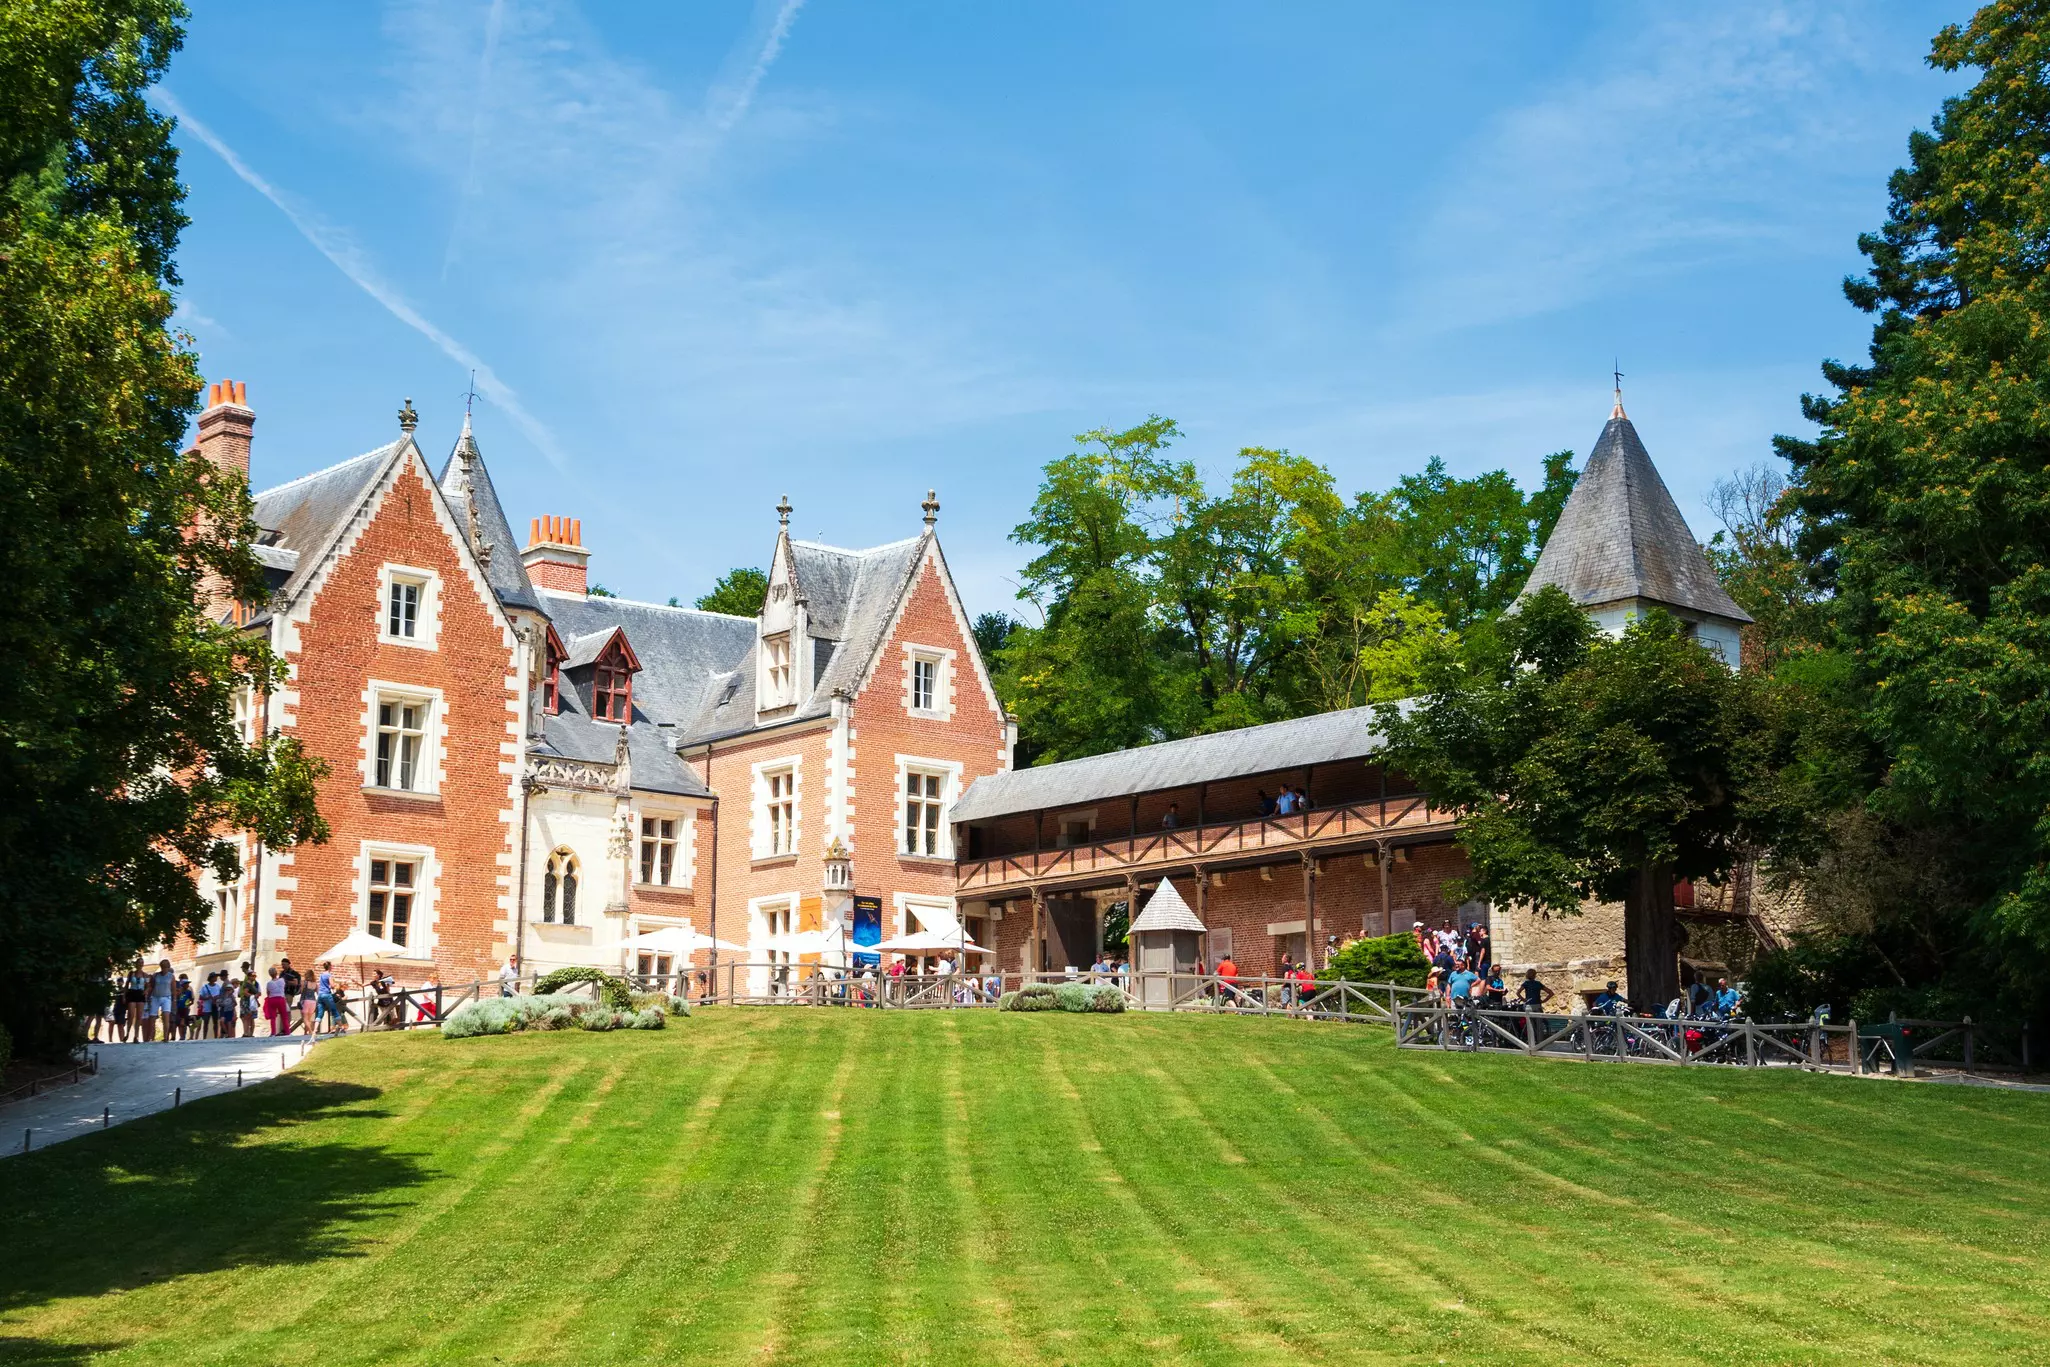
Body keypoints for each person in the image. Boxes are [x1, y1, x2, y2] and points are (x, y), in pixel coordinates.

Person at [263, 964, 289, 1036]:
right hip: (281, 999)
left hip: (272, 999)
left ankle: (273, 1033)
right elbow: (283, 988)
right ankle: (287, 1032)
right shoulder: (282, 980)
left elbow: (268, 993)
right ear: (276, 973)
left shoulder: (269, 983)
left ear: (270, 975)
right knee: (284, 1016)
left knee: (273, 1017)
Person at [280, 958, 303, 1033]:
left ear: (288, 964)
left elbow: (296, 983)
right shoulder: (282, 973)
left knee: (287, 1010)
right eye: (282, 964)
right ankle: (283, 1028)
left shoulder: (294, 973)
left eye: (284, 964)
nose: (283, 966)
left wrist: (286, 982)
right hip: (282, 993)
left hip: (289, 993)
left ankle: (286, 1028)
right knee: (283, 1011)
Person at [239, 967, 260, 1036]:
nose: (254, 977)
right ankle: (246, 1033)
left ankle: (249, 1033)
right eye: (253, 976)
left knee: (250, 1018)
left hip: (251, 1002)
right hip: (247, 1002)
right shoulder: (247, 984)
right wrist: (253, 996)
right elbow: (245, 992)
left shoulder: (252, 984)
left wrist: (257, 1000)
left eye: (255, 975)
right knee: (246, 1017)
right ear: (249, 976)